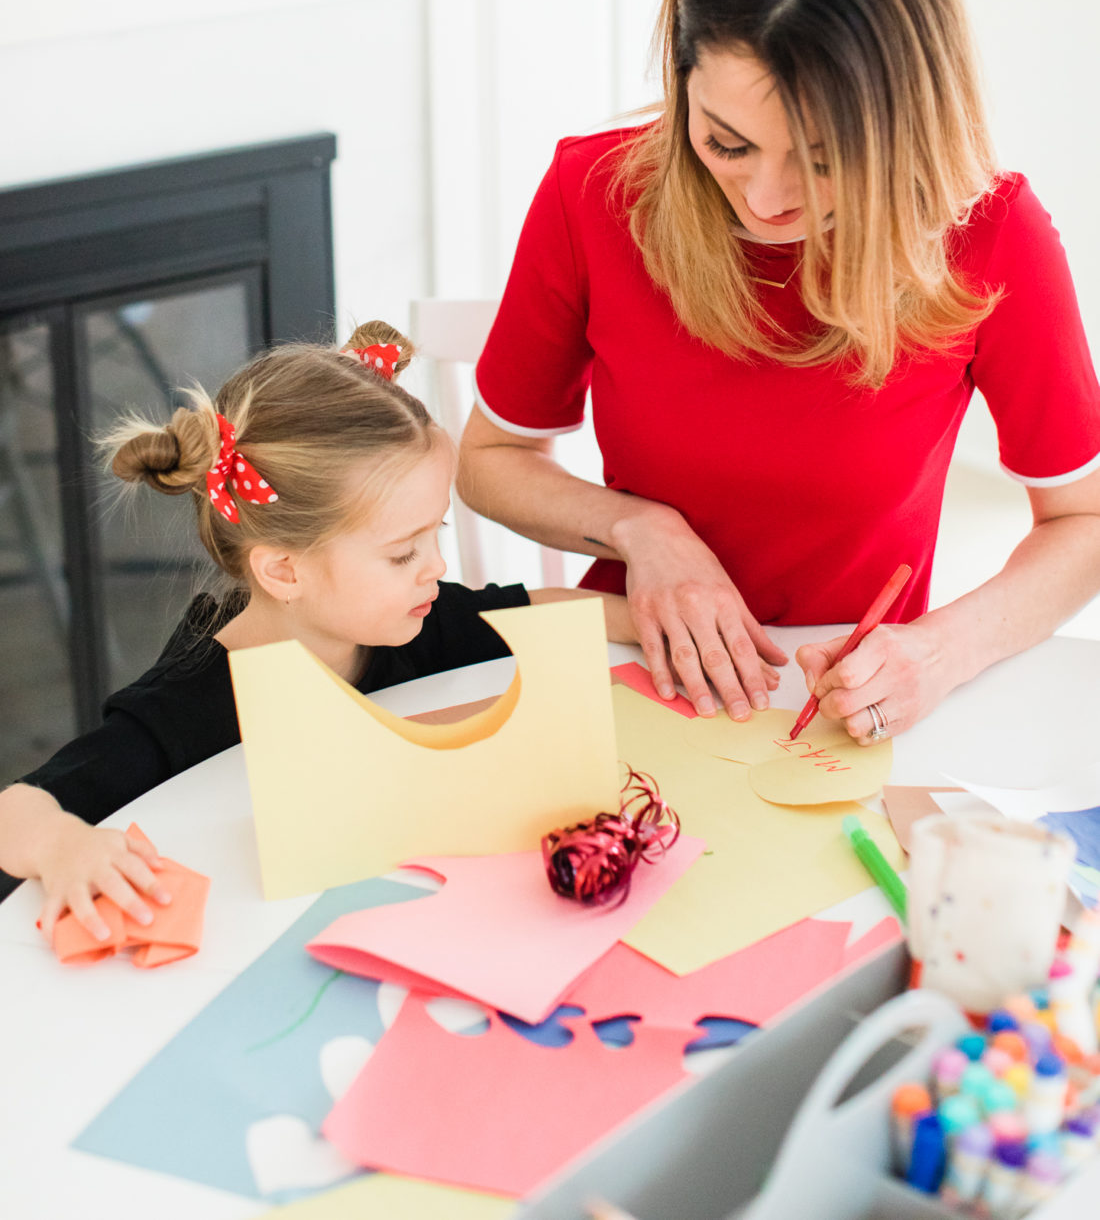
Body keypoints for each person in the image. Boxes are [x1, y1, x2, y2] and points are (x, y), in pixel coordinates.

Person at [458, 0, 1100, 742]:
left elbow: (1084, 521)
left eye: (825, 159)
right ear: (682, 78)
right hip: (627, 670)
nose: (765, 199)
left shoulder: (989, 234)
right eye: (727, 143)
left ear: (906, 125)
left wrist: (940, 653)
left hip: (848, 703)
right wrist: (640, 531)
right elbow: (490, 456)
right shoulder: (594, 193)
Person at [0, 320, 635, 941]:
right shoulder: (189, 704)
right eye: (401, 553)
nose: (436, 568)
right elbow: (16, 811)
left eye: (434, 535)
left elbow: (541, 609)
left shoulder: (416, 616)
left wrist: (670, 619)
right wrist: (63, 847)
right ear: (283, 570)